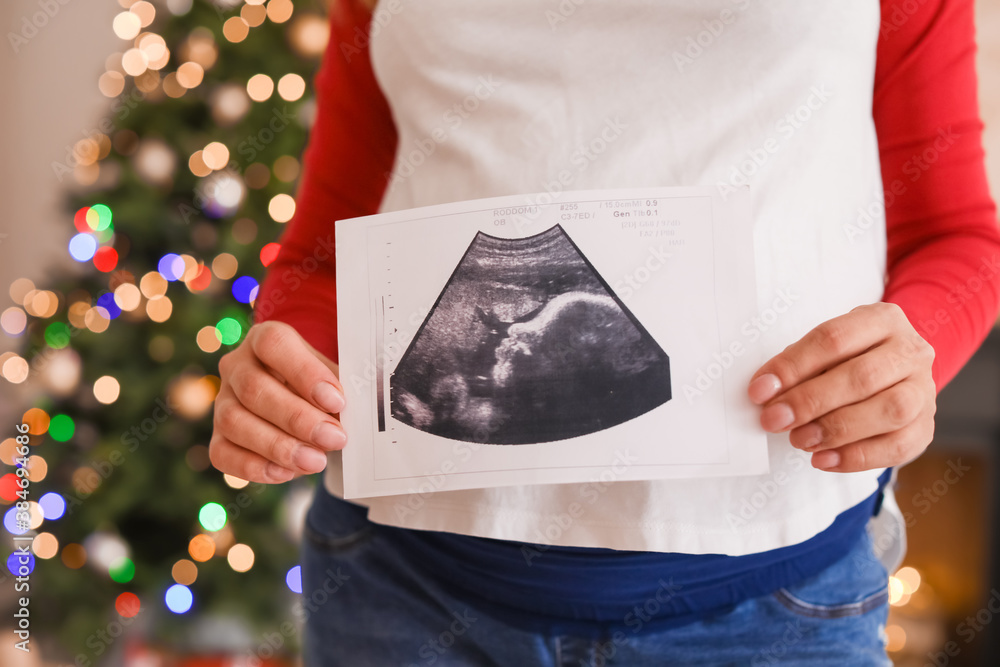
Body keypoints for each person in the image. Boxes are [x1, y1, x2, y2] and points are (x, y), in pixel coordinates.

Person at [209, 0, 1000, 663]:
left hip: (772, 615)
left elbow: (957, 235)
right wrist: (284, 362)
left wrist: (912, 351)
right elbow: (322, 260)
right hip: (402, 590)